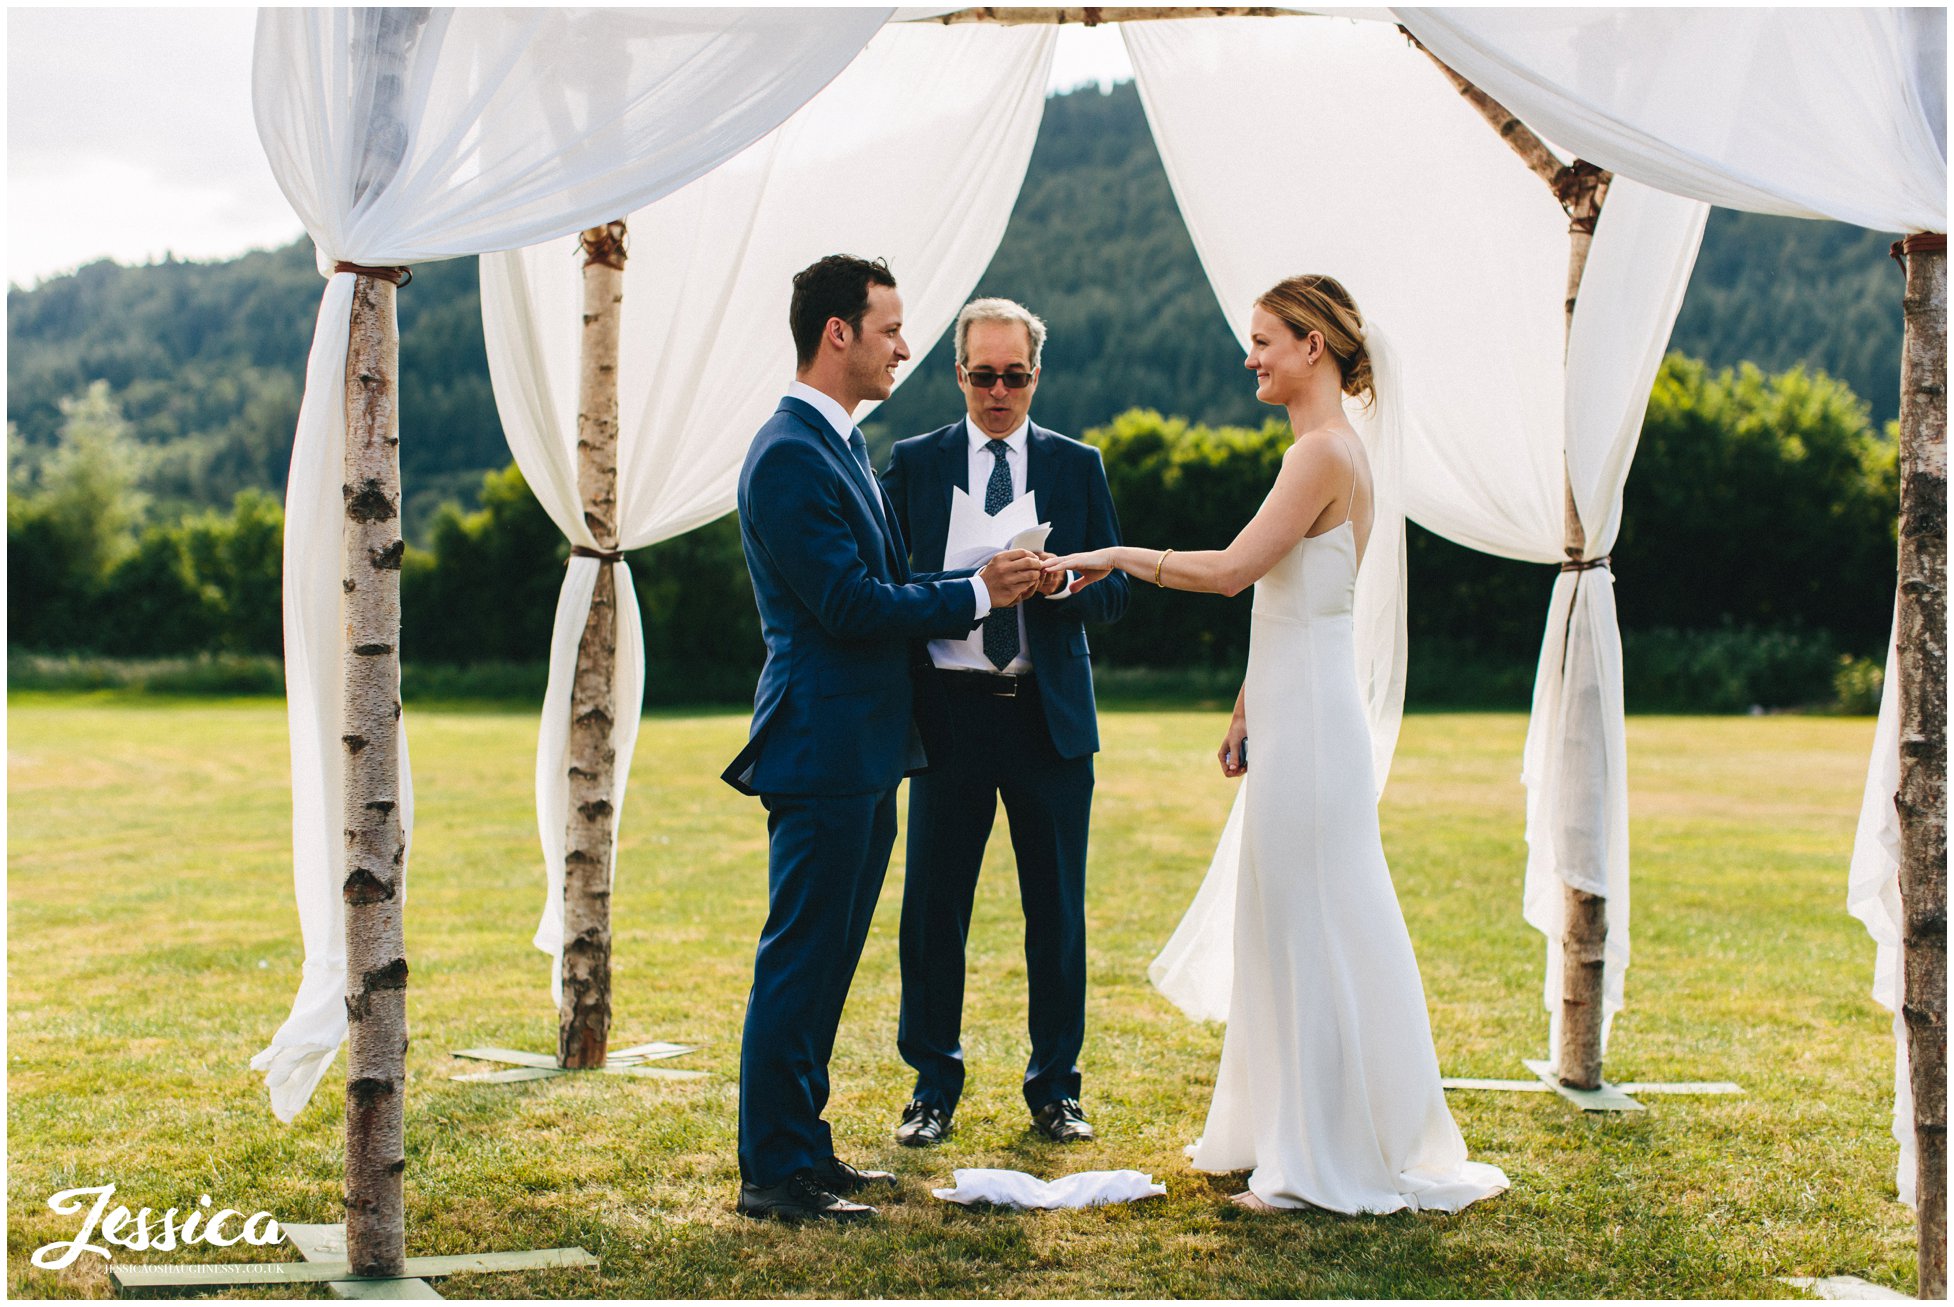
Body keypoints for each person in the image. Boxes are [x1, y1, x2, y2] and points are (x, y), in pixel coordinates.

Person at [1043, 275, 1509, 1215]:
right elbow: (1308, 601)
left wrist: (1111, 556)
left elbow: (1230, 575)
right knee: (1291, 918)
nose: (1249, 357)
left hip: (1316, 724)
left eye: (1262, 341)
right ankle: (1277, 1131)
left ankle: (1313, 1157)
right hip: (1302, 708)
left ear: (1313, 345)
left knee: (1310, 924)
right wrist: (1250, 701)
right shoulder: (1335, 450)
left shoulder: (1321, 454)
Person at [723, 255, 1045, 1223]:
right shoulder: (788, 452)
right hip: (821, 742)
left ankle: (805, 1149)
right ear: (838, 333)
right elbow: (845, 604)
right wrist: (975, 593)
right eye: (891, 327)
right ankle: (773, 1171)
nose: (905, 346)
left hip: (863, 744)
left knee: (825, 962)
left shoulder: (839, 444)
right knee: (799, 957)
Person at [879, 298, 1129, 1149]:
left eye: (1014, 376)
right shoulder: (913, 464)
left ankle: (1056, 1087)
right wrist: (962, 585)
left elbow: (1120, 585)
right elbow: (882, 586)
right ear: (958, 374)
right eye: (982, 376)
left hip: (1046, 717)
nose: (998, 392)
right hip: (948, 717)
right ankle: (930, 1086)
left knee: (1056, 910)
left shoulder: (1076, 463)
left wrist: (1062, 584)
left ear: (1035, 375)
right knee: (932, 907)